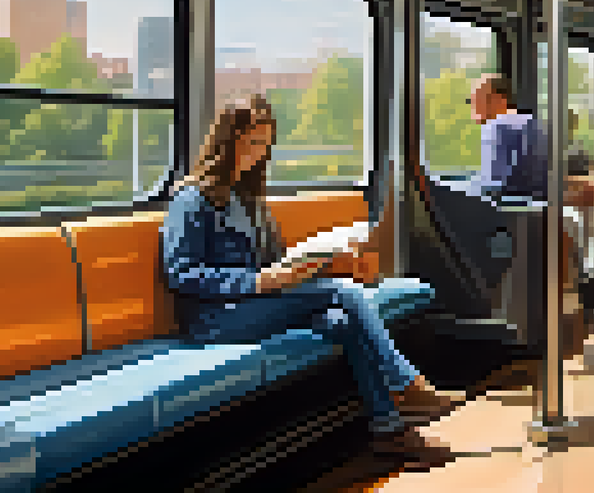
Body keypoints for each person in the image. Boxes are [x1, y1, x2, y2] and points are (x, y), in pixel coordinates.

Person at [162, 95, 461, 468]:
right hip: (214, 318)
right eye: (252, 144)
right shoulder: (192, 199)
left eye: (264, 147)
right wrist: (255, 282)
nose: (257, 155)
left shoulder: (251, 200)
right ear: (227, 142)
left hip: (256, 304)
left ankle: (390, 432)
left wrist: (323, 264)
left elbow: (276, 262)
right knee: (343, 294)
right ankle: (404, 383)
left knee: (344, 319)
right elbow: (181, 272)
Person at [467, 73, 548, 200]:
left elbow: (493, 185)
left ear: (499, 100)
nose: (473, 105)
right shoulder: (535, 124)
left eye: (478, 98)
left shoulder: (495, 126)